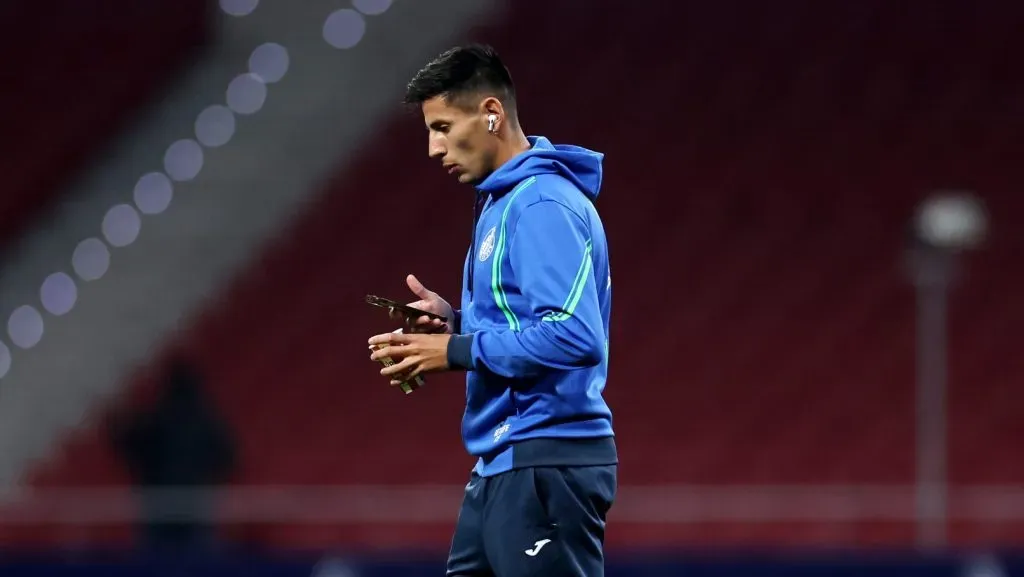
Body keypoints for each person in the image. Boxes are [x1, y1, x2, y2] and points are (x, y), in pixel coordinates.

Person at [367, 44, 616, 576]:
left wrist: (456, 349)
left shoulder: (541, 204)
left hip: (546, 460)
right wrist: (455, 322)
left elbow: (574, 335)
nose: (434, 148)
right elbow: (529, 323)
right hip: (504, 462)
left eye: (442, 127)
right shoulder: (503, 204)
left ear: (491, 114)